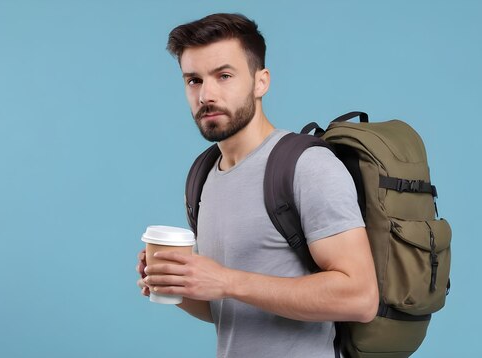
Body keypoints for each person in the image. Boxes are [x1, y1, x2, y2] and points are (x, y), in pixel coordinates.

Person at [136, 13, 378, 358]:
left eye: (224, 76)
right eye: (193, 80)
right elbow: (232, 310)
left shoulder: (307, 167)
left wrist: (227, 280)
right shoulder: (203, 175)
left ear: (260, 81)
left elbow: (361, 298)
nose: (206, 94)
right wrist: (180, 287)